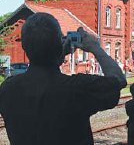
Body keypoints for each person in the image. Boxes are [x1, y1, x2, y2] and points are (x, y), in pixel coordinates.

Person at [0, 12, 126, 145]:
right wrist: (95, 47)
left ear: (24, 46)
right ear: (58, 45)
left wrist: (57, 55)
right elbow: (118, 79)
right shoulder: (77, 88)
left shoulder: (8, 89)